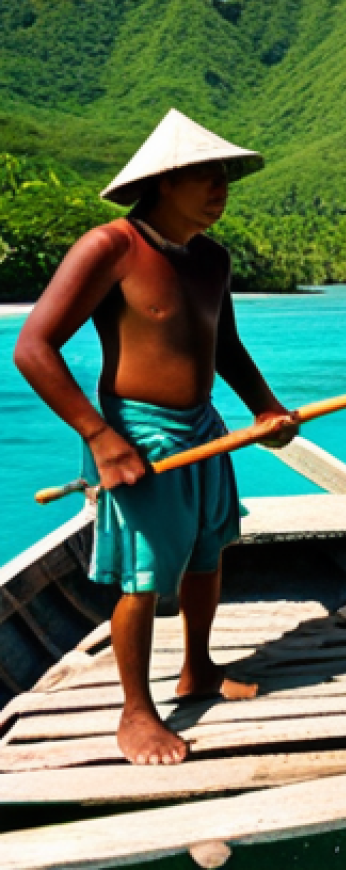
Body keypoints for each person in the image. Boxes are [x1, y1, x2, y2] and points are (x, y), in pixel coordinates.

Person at [13, 109, 298, 766]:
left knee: (207, 550)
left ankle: (197, 667)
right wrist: (102, 438)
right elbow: (34, 348)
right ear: (166, 180)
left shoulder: (212, 258)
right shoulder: (110, 247)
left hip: (204, 427)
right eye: (206, 174)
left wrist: (264, 410)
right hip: (136, 431)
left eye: (226, 174)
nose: (221, 185)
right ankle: (136, 713)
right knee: (141, 577)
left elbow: (224, 344)